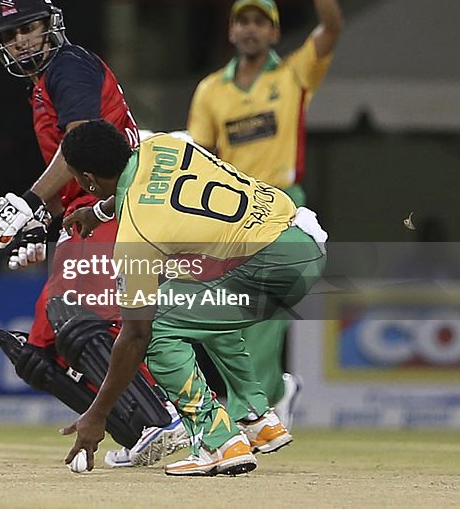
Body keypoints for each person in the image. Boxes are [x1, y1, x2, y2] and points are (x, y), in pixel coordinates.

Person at [0, 0, 187, 467]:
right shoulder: (43, 86)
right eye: (10, 35)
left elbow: (84, 146)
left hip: (119, 207)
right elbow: (72, 177)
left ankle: (169, 421)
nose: (22, 41)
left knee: (77, 317)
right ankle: (142, 433)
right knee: (40, 355)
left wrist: (26, 202)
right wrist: (36, 226)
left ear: (50, 25)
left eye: (28, 28)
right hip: (91, 215)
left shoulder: (69, 67)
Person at [58, 120, 328, 476]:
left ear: (87, 179)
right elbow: (144, 181)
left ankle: (218, 441)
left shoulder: (136, 236)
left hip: (270, 267)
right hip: (303, 240)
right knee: (197, 299)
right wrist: (100, 211)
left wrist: (98, 413)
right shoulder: (164, 145)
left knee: (153, 326)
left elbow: (135, 337)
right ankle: (257, 418)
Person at [187, 0, 343, 430]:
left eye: (261, 22)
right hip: (230, 214)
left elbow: (333, 27)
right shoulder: (212, 90)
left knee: (264, 314)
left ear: (275, 32)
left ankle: (246, 414)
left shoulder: (292, 76)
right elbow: (200, 157)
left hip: (282, 208)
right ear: (231, 31)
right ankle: (275, 392)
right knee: (233, 318)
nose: (251, 29)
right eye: (243, 22)